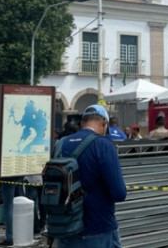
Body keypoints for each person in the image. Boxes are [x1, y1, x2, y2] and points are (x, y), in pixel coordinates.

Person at [56, 104, 127, 248]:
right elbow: (119, 193)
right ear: (104, 123)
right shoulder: (104, 145)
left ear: (82, 123)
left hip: (63, 229)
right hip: (98, 229)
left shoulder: (60, 144)